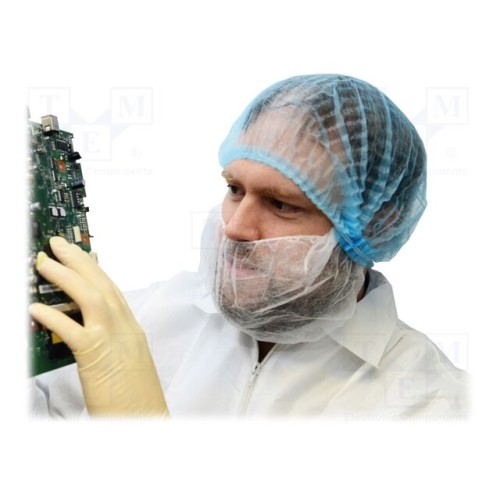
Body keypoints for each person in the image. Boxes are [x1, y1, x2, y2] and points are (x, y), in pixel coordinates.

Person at [30, 74, 468, 419]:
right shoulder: (137, 319)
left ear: (374, 223)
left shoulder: (433, 405)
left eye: (281, 204)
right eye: (235, 189)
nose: (236, 228)